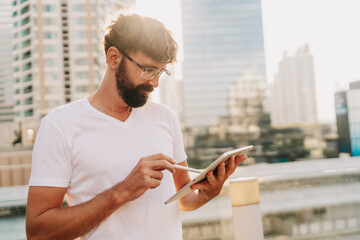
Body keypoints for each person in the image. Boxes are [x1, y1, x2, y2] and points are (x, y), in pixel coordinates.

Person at [25, 13, 248, 240]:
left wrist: (205, 193)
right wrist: (122, 191)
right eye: (148, 70)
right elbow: (38, 232)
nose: (155, 82)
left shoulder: (165, 117)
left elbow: (183, 198)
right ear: (114, 58)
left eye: (161, 72)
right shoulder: (60, 126)